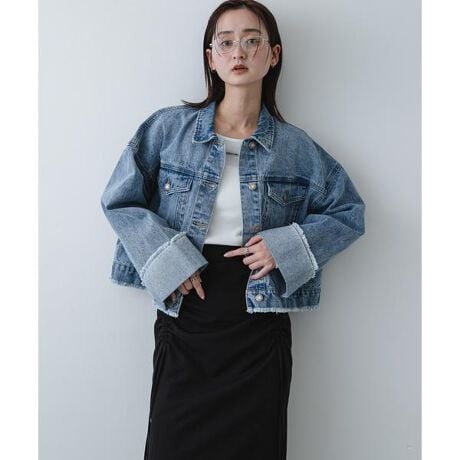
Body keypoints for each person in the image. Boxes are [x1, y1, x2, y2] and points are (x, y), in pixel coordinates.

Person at [100, 1, 365, 459]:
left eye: (251, 40)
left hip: (258, 327)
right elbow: (119, 200)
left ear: (273, 55)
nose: (238, 52)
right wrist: (169, 259)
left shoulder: (297, 149)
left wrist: (286, 247)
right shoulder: (168, 130)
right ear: (211, 58)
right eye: (225, 42)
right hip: (187, 316)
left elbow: (348, 212)